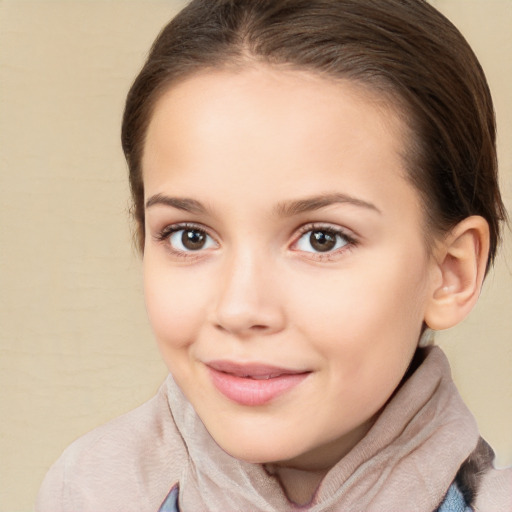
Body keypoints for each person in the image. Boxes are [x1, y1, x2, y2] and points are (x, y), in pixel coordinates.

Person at [36, 0, 511, 510]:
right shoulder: (86, 492)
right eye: (190, 236)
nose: (240, 309)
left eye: (321, 239)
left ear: (451, 272)